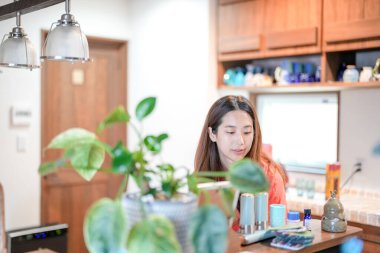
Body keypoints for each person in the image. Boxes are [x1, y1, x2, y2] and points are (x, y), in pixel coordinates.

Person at [194, 95, 287, 231]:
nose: (241, 141)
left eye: (247, 132)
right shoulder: (202, 179)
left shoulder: (268, 175)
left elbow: (279, 232)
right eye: (231, 132)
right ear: (212, 134)